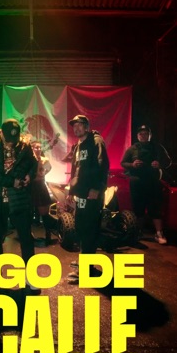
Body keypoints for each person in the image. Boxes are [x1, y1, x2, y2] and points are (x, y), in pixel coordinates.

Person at [0, 118, 39, 294]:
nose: (12, 143)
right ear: (1, 134)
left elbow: (34, 163)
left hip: (18, 198)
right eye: (8, 140)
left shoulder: (24, 144)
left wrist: (29, 175)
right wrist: (11, 182)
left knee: (26, 237)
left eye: (15, 139)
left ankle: (30, 275)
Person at [65, 115, 110, 284]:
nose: (76, 128)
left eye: (80, 125)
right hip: (81, 194)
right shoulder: (78, 146)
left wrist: (98, 188)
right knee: (82, 227)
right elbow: (75, 170)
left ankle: (86, 270)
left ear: (86, 127)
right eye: (74, 126)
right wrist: (72, 191)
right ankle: (85, 262)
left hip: (92, 194)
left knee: (90, 229)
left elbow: (102, 165)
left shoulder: (96, 141)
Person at [120, 124, 172, 244]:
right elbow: (123, 163)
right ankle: (138, 233)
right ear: (137, 136)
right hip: (137, 183)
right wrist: (132, 165)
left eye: (146, 134)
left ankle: (159, 233)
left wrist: (159, 164)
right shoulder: (132, 148)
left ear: (150, 135)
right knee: (138, 209)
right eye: (141, 134)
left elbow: (168, 161)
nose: (143, 136)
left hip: (153, 183)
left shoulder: (157, 147)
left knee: (155, 209)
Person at [30, 140, 54, 245]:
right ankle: (28, 235)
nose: (39, 149)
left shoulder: (44, 160)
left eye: (40, 147)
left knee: (44, 213)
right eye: (36, 147)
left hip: (40, 187)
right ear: (32, 148)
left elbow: (48, 169)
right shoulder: (29, 160)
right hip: (31, 187)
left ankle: (48, 235)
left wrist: (42, 173)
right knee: (29, 213)